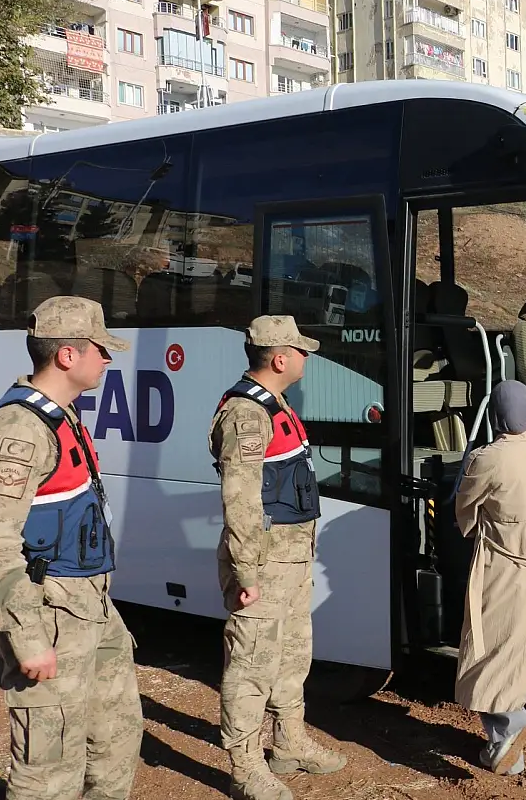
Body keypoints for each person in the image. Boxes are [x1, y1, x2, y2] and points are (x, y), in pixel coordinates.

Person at [0, 296, 143, 800]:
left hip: (89, 604)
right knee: (49, 770)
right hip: (51, 611)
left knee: (115, 737)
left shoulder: (61, 416)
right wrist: (27, 637)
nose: (107, 359)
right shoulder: (19, 430)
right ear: (68, 356)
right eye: (100, 349)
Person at [210, 315, 347, 800]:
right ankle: (245, 766)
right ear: (280, 358)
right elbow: (241, 500)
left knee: (290, 655)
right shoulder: (247, 414)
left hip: (290, 558)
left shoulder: (274, 405)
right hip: (264, 562)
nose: (307, 358)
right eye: (301, 350)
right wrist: (246, 569)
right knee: (251, 663)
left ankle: (288, 742)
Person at [455, 380, 526, 774]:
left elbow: (465, 512)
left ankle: (508, 727)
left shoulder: (489, 458)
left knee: (490, 651)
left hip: (505, 568)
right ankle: (508, 747)